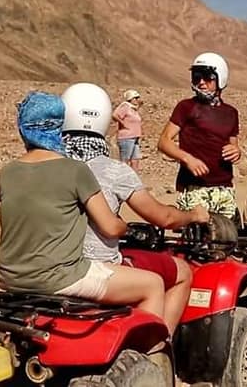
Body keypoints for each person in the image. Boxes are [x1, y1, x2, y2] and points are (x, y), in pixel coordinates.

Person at [0, 91, 165, 326]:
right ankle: (149, 357)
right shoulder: (75, 170)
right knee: (153, 284)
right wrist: (128, 228)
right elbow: (110, 227)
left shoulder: (8, 171)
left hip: (9, 278)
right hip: (60, 278)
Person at [61, 83, 209, 334]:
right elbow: (164, 218)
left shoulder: (50, 165)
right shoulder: (114, 170)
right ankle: (157, 349)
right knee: (182, 272)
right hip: (96, 268)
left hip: (54, 265)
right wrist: (194, 214)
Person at [158, 53, 242, 222]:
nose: (201, 82)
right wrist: (188, 159)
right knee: (198, 243)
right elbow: (164, 141)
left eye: (207, 77)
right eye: (197, 77)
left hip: (224, 188)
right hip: (194, 187)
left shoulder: (231, 113)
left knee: (226, 241)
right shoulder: (186, 107)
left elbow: (234, 145)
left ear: (221, 79)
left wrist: (236, 152)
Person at [113, 89, 144, 170]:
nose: (137, 100)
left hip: (135, 137)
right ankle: (122, 180)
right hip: (126, 137)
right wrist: (123, 123)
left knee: (135, 160)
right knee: (125, 160)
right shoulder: (125, 107)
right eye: (136, 98)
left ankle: (134, 180)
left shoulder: (133, 109)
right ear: (131, 98)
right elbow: (115, 115)